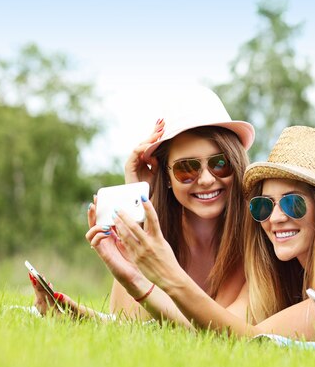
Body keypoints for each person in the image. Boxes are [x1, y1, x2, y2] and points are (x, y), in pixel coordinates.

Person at [111, 125, 315, 339]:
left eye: (292, 203)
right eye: (263, 205)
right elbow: (215, 327)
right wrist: (94, 309)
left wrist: (163, 279)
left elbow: (254, 339)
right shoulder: (284, 267)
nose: (275, 218)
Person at [30, 87, 255, 326]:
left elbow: (225, 332)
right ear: (166, 176)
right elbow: (131, 325)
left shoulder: (256, 235)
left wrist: (87, 317)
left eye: (220, 163)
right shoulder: (157, 236)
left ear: (237, 162)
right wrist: (135, 196)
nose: (207, 179)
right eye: (186, 168)